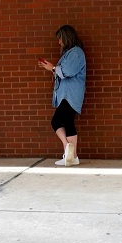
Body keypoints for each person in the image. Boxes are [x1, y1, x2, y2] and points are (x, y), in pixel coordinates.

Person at [39, 25, 86, 166]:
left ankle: (67, 148)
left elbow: (68, 71)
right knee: (68, 122)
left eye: (60, 39)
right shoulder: (71, 53)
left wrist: (52, 67)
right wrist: (52, 68)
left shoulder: (76, 53)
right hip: (68, 94)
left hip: (69, 94)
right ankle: (73, 157)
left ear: (66, 38)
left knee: (56, 121)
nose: (59, 42)